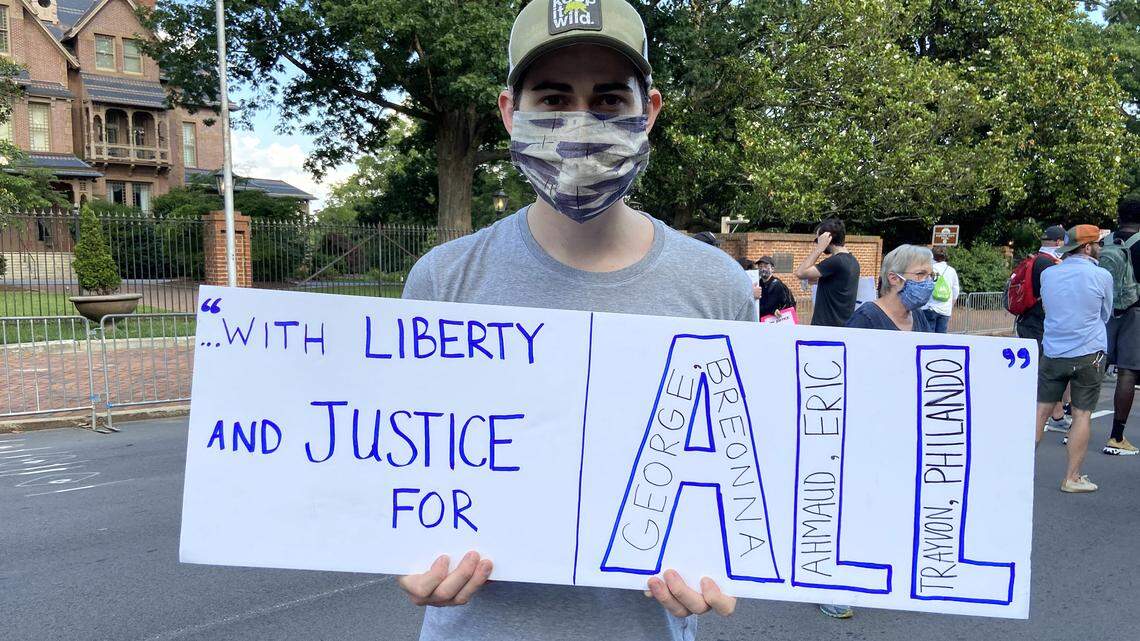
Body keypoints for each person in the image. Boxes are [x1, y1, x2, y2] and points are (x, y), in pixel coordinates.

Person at [397, 2, 750, 639]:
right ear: (509, 112)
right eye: (553, 100)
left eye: (609, 101)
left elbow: (739, 474)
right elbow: (400, 466)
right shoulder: (443, 281)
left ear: (651, 111)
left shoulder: (717, 287)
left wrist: (728, 566)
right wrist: (399, 556)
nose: (580, 124)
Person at [1034, 225, 1113, 493]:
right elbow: (1106, 313)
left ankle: (1018, 470)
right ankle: (1072, 477)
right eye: (1097, 244)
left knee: (1041, 411)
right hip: (1089, 351)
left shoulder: (1049, 274)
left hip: (1054, 349)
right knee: (1081, 415)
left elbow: (1046, 307)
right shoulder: (1101, 276)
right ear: (1088, 247)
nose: (1100, 248)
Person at [1016, 225, 1070, 433]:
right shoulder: (1050, 265)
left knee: (1042, 370)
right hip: (1040, 322)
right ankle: (1052, 416)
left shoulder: (1036, 259)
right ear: (1058, 242)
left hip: (1028, 320)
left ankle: (1054, 415)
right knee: (1047, 371)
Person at [1104, 195, 1140, 456]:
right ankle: (1117, 435)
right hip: (1135, 313)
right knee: (1127, 372)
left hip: (1104, 312)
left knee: (1095, 365)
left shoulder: (1104, 242)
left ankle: (1075, 424)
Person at [846, 245, 934, 332]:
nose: (929, 281)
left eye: (931, 275)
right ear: (894, 278)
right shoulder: (866, 317)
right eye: (920, 274)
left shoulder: (918, 314)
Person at [794, 218, 860, 327]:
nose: (817, 243)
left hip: (826, 327)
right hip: (841, 326)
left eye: (818, 240)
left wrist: (819, 249)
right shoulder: (852, 261)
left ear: (827, 239)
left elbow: (800, 273)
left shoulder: (836, 261)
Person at [921, 246, 960, 333]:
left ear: (933, 256)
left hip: (929, 306)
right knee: (941, 338)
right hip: (945, 309)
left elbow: (922, 285)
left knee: (927, 337)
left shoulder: (930, 269)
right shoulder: (952, 271)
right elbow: (956, 291)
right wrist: (951, 305)